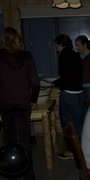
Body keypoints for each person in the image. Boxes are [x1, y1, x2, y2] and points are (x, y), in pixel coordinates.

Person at [0, 27, 40, 180]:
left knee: (9, 138)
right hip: (23, 102)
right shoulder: (26, 56)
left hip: (4, 102)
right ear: (17, 39)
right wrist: (34, 100)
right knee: (25, 139)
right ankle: (28, 175)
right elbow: (35, 83)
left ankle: (10, 172)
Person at [52, 34, 86, 160]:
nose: (56, 48)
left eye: (56, 45)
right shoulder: (76, 56)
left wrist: (54, 83)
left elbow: (65, 77)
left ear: (61, 44)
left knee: (67, 124)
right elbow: (77, 75)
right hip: (79, 93)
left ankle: (71, 151)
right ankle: (82, 149)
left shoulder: (63, 56)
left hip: (68, 94)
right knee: (79, 123)